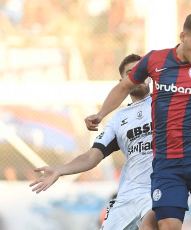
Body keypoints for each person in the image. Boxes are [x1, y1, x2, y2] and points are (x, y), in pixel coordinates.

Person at [84, 12, 191, 230]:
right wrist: (101, 113)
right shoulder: (155, 60)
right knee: (168, 226)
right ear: (183, 36)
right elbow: (124, 86)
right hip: (167, 164)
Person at [29, 54, 158, 230]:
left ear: (150, 75)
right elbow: (92, 156)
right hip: (127, 195)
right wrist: (60, 170)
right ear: (122, 81)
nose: (137, 76)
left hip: (157, 190)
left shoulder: (166, 104)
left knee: (150, 225)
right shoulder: (117, 119)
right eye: (130, 72)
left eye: (141, 71)